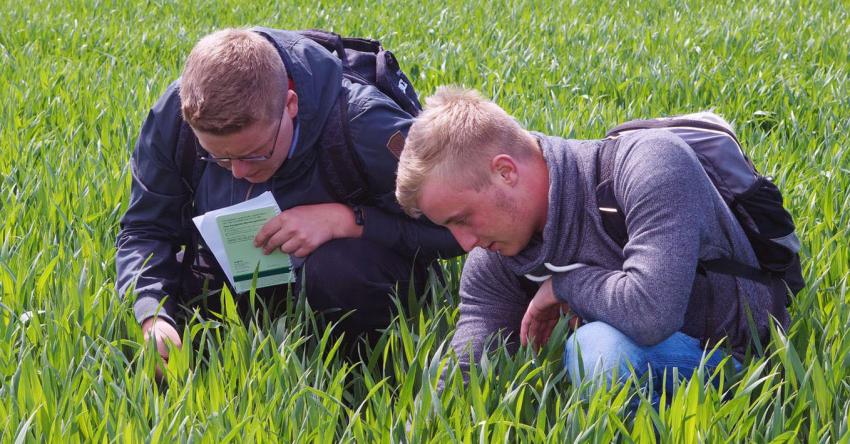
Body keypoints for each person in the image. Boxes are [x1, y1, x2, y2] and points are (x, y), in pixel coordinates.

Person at [395, 87, 790, 401]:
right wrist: (422, 423)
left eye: (462, 218)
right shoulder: (495, 250)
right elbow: (472, 355)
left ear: (505, 171)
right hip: (637, 350)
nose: (464, 244)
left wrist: (563, 285)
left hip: (736, 360)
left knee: (597, 351)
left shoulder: (650, 163)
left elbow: (652, 313)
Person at [116, 28, 462, 363]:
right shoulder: (176, 116)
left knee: (338, 269)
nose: (237, 171)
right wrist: (153, 315)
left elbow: (457, 231)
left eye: (254, 154)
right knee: (170, 293)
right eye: (218, 158)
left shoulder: (364, 124)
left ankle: (356, 381)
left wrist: (352, 221)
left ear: (290, 104)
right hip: (242, 275)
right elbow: (144, 229)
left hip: (352, 275)